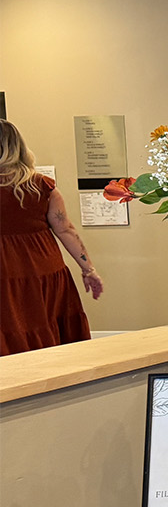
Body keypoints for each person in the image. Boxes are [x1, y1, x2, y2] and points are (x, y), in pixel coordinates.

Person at [0, 119, 102, 355]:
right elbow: (65, 230)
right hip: (43, 270)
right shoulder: (42, 186)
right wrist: (89, 270)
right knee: (48, 330)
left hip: (5, 273)